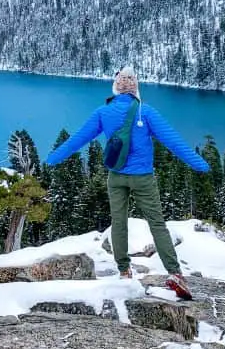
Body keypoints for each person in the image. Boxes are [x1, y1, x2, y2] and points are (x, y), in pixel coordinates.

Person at [45, 66, 210, 300]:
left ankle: (124, 271)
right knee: (157, 224)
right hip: (143, 178)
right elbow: (174, 141)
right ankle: (175, 273)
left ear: (116, 87)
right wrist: (199, 164)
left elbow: (76, 140)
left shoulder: (103, 112)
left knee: (118, 222)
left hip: (116, 176)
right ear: (135, 89)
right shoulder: (146, 112)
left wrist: (53, 159)